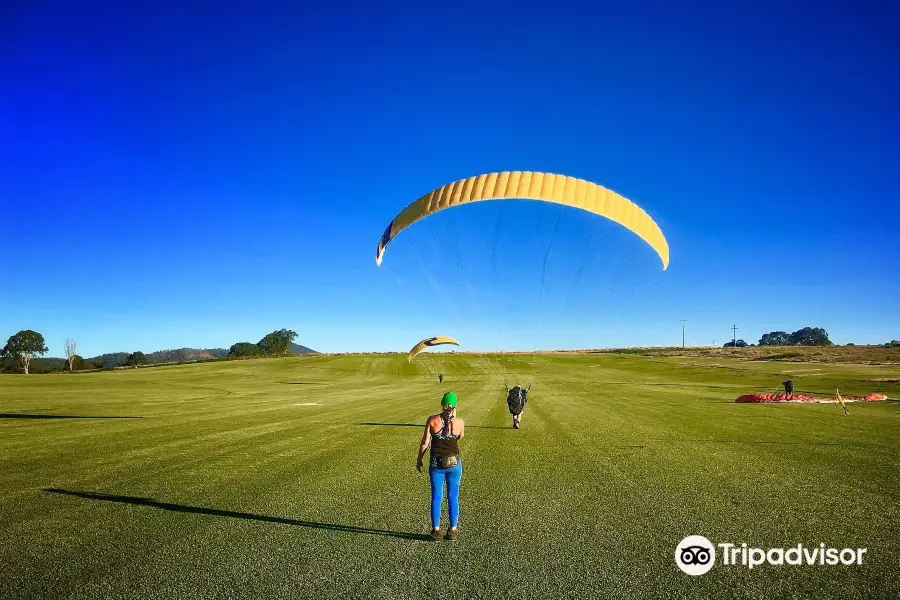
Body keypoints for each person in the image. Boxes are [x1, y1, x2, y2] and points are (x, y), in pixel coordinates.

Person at [417, 391, 464, 541]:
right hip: (454, 464)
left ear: (442, 404)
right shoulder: (460, 422)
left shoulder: (432, 420)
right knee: (453, 497)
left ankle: (436, 531)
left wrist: (419, 459)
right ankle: (453, 530)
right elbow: (460, 437)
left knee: (437, 497)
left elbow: (425, 443)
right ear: (455, 406)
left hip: (436, 464)